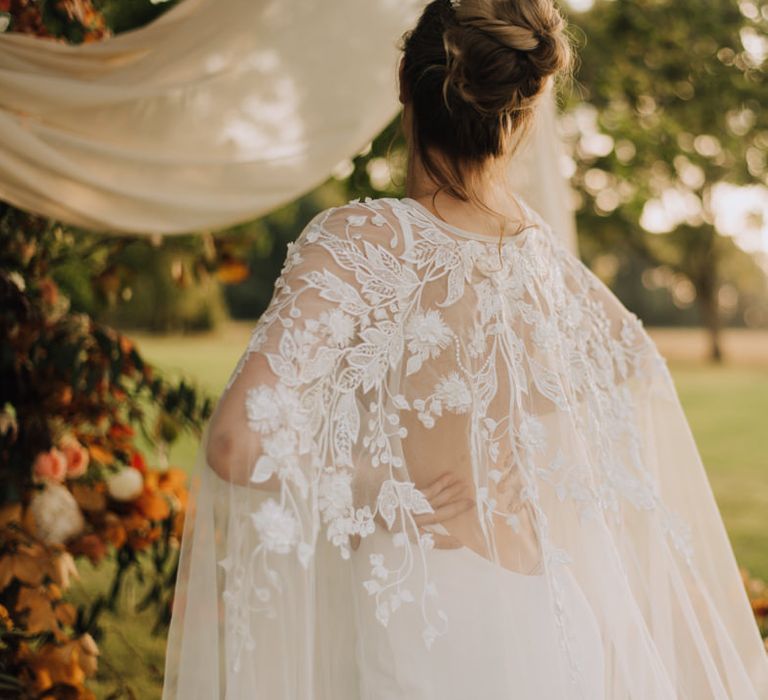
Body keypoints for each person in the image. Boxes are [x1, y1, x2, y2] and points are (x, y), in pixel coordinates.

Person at [162, 0, 768, 697]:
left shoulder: (363, 241)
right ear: (525, 112)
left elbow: (238, 443)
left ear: (405, 84)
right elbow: (636, 368)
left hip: (434, 614)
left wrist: (381, 486)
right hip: (554, 610)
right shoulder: (543, 259)